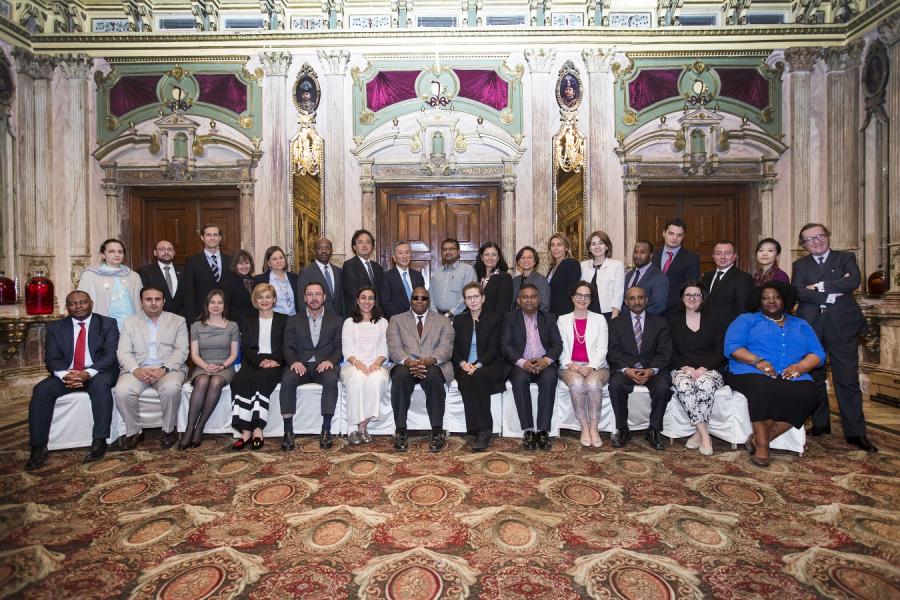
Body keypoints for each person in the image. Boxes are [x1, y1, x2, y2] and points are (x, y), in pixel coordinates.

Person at [792, 223, 876, 452]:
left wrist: (818, 286)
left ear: (827, 237)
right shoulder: (800, 265)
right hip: (812, 328)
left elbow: (852, 282)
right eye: (809, 239)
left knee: (846, 379)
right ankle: (820, 424)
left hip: (843, 327)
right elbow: (798, 291)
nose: (816, 241)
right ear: (804, 245)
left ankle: (856, 432)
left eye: (819, 236)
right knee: (815, 378)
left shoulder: (845, 258)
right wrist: (829, 295)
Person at [725, 282, 825, 466]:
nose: (771, 301)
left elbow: (818, 353)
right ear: (758, 301)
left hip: (792, 372)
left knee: (810, 392)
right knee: (764, 388)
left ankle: (761, 438)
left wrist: (801, 367)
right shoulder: (746, 320)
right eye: (765, 297)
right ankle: (762, 446)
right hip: (749, 370)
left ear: (785, 299)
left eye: (776, 297)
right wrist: (758, 362)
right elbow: (732, 348)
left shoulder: (800, 324)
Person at [25, 291, 120, 470]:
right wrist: (65, 375)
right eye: (73, 304)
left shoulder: (107, 323)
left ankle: (100, 440)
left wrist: (88, 373)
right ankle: (38, 446)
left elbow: (111, 355)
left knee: (101, 386)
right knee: (41, 390)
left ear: (91, 303)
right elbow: (51, 358)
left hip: (98, 372)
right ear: (67, 306)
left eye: (82, 302)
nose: (78, 307)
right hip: (67, 373)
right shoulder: (55, 327)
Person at [113, 286, 189, 450]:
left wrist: (164, 369)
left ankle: (169, 430)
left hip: (168, 369)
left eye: (157, 299)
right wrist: (135, 370)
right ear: (141, 303)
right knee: (122, 391)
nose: (153, 303)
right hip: (138, 368)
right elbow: (123, 351)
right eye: (149, 299)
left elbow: (181, 350)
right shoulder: (130, 322)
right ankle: (134, 431)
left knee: (171, 388)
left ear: (164, 302)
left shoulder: (178, 320)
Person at [386, 286, 454, 453]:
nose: (419, 301)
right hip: (405, 364)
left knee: (433, 376)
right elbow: (394, 348)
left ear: (428, 301)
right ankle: (400, 431)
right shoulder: (396, 320)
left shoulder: (443, 321)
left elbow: (446, 348)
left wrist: (429, 361)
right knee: (400, 376)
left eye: (423, 298)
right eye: (415, 297)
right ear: (411, 300)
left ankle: (437, 431)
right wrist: (409, 362)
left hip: (434, 364)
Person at [607, 286, 673, 450]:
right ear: (626, 302)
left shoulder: (660, 323)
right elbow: (613, 351)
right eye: (632, 298)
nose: (637, 302)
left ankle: (654, 430)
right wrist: (626, 370)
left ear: (646, 300)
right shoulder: (615, 323)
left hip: (652, 369)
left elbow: (665, 352)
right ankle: (622, 429)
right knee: (615, 385)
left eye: (640, 298)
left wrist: (651, 370)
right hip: (626, 369)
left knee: (663, 387)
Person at [279, 281, 343, 451]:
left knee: (331, 377)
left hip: (324, 364)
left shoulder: (336, 320)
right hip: (301, 364)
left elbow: (339, 347)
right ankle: (288, 431)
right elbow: (287, 346)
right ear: (305, 298)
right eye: (310, 294)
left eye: (317, 294)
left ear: (324, 297)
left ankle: (326, 429)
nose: (314, 298)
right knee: (287, 378)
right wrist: (293, 362)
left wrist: (330, 361)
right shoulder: (293, 320)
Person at [667, 282, 727, 456]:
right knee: (685, 386)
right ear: (682, 298)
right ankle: (705, 434)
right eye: (688, 295)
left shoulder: (715, 318)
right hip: (682, 368)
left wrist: (704, 368)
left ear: (702, 298)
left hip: (711, 368)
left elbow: (721, 350)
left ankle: (698, 433)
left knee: (704, 384)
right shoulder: (672, 319)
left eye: (696, 295)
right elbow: (668, 350)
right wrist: (684, 367)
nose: (692, 298)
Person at [501, 283, 563, 451]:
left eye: (533, 297)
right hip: (521, 364)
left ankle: (543, 431)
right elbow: (505, 346)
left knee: (550, 378)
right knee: (519, 380)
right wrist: (523, 362)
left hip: (544, 362)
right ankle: (528, 430)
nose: (529, 300)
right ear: (518, 301)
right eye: (525, 297)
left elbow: (557, 344)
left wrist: (546, 361)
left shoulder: (548, 318)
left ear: (539, 299)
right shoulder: (510, 318)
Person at [230, 283, 287, 451]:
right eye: (260, 297)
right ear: (255, 300)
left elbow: (287, 345)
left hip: (276, 363)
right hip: (253, 361)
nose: (264, 300)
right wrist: (260, 362)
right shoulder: (248, 320)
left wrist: (276, 361)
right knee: (238, 380)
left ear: (274, 299)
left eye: (268, 297)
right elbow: (246, 347)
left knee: (260, 379)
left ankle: (258, 430)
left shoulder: (284, 319)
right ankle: (245, 431)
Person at [180, 289, 239, 450]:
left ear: (224, 305)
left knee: (216, 381)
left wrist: (221, 366)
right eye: (212, 302)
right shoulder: (196, 326)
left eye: (220, 302)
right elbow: (194, 354)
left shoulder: (232, 326)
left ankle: (200, 427)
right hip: (202, 364)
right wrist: (206, 366)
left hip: (225, 366)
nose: (216, 306)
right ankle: (189, 428)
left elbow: (233, 354)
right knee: (203, 381)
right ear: (207, 304)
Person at [453, 283, 507, 452]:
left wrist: (477, 365)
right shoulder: (460, 320)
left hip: (489, 364)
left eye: (476, 296)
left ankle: (483, 430)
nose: (473, 300)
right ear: (465, 301)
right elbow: (454, 348)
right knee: (466, 379)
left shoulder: (495, 319)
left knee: (478, 376)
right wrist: (462, 363)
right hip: (465, 365)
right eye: (469, 297)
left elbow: (494, 349)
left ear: (483, 298)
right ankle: (480, 430)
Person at [557, 282, 610, 448]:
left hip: (597, 366)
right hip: (569, 366)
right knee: (578, 384)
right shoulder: (562, 320)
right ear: (572, 298)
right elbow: (560, 347)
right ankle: (584, 427)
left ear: (591, 299)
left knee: (593, 384)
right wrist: (570, 365)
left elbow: (603, 349)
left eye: (587, 296)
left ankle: (594, 428)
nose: (583, 299)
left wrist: (591, 367)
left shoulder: (600, 319)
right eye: (579, 295)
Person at [341, 286, 390, 445]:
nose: (367, 301)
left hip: (377, 364)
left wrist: (377, 363)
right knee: (357, 379)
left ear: (375, 301)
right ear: (357, 300)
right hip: (353, 365)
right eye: (363, 297)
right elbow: (346, 349)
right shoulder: (349, 322)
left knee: (379, 379)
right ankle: (352, 429)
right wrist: (359, 364)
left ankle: (363, 425)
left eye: (370, 298)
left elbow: (385, 347)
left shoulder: (383, 322)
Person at [77, 238, 143, 330]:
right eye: (112, 251)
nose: (117, 254)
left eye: (120, 252)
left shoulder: (133, 276)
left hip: (131, 325)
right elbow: (80, 300)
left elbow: (139, 303)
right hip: (103, 326)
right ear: (103, 255)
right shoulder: (90, 275)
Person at [183, 224, 232, 325]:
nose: (212, 238)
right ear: (202, 237)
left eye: (215, 235)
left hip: (227, 317)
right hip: (201, 317)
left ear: (220, 238)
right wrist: (192, 321)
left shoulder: (230, 260)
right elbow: (189, 292)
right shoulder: (192, 261)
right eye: (208, 235)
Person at [699, 240, 754, 326]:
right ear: (713, 257)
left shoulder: (743, 278)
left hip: (729, 330)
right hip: (706, 328)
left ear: (734, 256)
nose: (723, 257)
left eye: (727, 253)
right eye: (718, 253)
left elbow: (743, 310)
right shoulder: (706, 276)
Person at [651, 218, 700, 312]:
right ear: (664, 233)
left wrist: (665, 304)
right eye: (671, 233)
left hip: (677, 310)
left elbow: (690, 287)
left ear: (684, 236)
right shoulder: (653, 256)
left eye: (679, 235)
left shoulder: (691, 258)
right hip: (652, 310)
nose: (675, 238)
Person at [579, 230, 624, 320]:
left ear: (607, 246)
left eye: (601, 243)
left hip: (608, 313)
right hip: (587, 312)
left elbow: (618, 292)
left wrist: (615, 315)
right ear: (589, 248)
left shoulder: (617, 265)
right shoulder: (583, 265)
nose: (597, 247)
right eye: (593, 244)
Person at [430, 238, 477, 319]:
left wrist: (450, 313)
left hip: (460, 317)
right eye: (444, 249)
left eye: (451, 249)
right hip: (437, 318)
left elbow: (469, 295)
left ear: (458, 252)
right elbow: (430, 294)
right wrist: (435, 314)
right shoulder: (437, 272)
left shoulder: (467, 270)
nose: (447, 252)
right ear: (441, 253)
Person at [297, 237, 343, 317]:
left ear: (332, 251)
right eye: (319, 248)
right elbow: (302, 302)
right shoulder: (306, 272)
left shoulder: (339, 271)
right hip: (317, 319)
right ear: (314, 251)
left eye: (327, 248)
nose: (324, 251)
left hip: (339, 319)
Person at [342, 229, 385, 316]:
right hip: (358, 314)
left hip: (377, 314)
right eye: (360, 242)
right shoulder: (349, 265)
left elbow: (381, 293)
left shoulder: (378, 267)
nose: (364, 245)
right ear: (354, 247)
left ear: (372, 246)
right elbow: (353, 293)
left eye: (368, 242)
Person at [137, 239, 183, 316]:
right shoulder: (145, 271)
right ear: (155, 252)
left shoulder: (184, 271)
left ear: (174, 253)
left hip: (181, 317)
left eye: (170, 249)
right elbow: (145, 296)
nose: (166, 252)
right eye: (162, 249)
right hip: (156, 317)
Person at [380, 240, 425, 318]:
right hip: (397, 321)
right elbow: (386, 303)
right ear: (394, 258)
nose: (404, 256)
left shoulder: (417, 276)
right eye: (400, 253)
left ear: (411, 256)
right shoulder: (387, 276)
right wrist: (402, 319)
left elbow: (422, 298)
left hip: (417, 319)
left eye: (407, 252)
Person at [622, 241, 669, 316]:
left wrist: (635, 317)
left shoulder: (660, 277)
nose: (638, 255)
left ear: (650, 255)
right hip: (625, 322)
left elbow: (658, 307)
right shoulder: (629, 275)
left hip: (647, 324)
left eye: (642, 252)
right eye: (635, 252)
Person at [253, 245, 298, 316]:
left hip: (294, 320)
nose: (279, 261)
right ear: (268, 263)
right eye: (274, 259)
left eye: (281, 258)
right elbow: (256, 303)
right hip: (274, 321)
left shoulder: (295, 277)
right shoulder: (260, 279)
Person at [546, 232, 582, 317]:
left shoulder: (571, 264)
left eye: (559, 245)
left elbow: (573, 292)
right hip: (553, 312)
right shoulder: (553, 267)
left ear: (566, 247)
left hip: (565, 314)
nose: (555, 248)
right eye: (552, 245)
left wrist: (569, 316)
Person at [475, 241, 513, 315]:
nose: (490, 258)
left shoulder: (505, 278)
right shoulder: (476, 276)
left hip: (494, 323)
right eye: (487, 255)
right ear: (482, 257)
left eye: (494, 255)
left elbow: (503, 308)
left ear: (498, 258)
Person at [511, 246, 550, 313]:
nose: (526, 260)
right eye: (523, 257)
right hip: (516, 320)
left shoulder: (541, 280)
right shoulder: (514, 281)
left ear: (535, 261)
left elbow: (544, 306)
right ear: (519, 262)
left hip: (535, 321)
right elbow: (511, 305)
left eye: (530, 257)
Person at [221, 249, 256, 324]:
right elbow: (225, 306)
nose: (244, 266)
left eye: (247, 263)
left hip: (253, 324)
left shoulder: (254, 280)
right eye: (240, 263)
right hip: (236, 325)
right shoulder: (229, 281)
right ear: (235, 265)